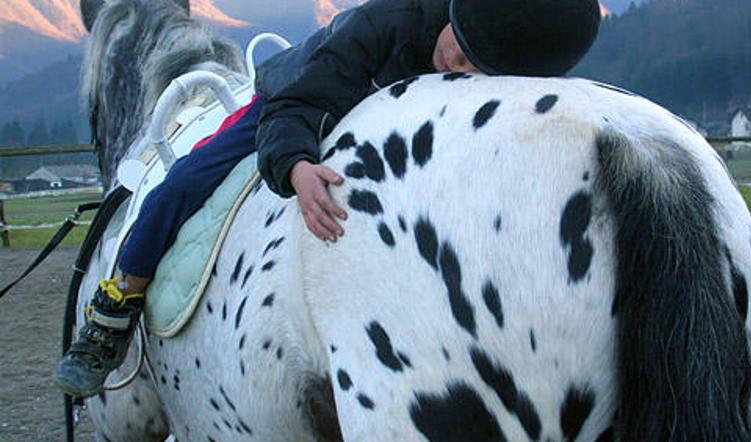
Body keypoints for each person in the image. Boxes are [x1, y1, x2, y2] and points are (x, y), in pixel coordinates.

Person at [56, 0, 601, 398]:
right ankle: (114, 310)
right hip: (297, 100)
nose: (459, 65)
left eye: (481, 67)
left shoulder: (495, 49)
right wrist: (294, 165)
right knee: (184, 181)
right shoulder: (392, 20)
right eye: (462, 44)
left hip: (383, 132)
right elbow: (300, 99)